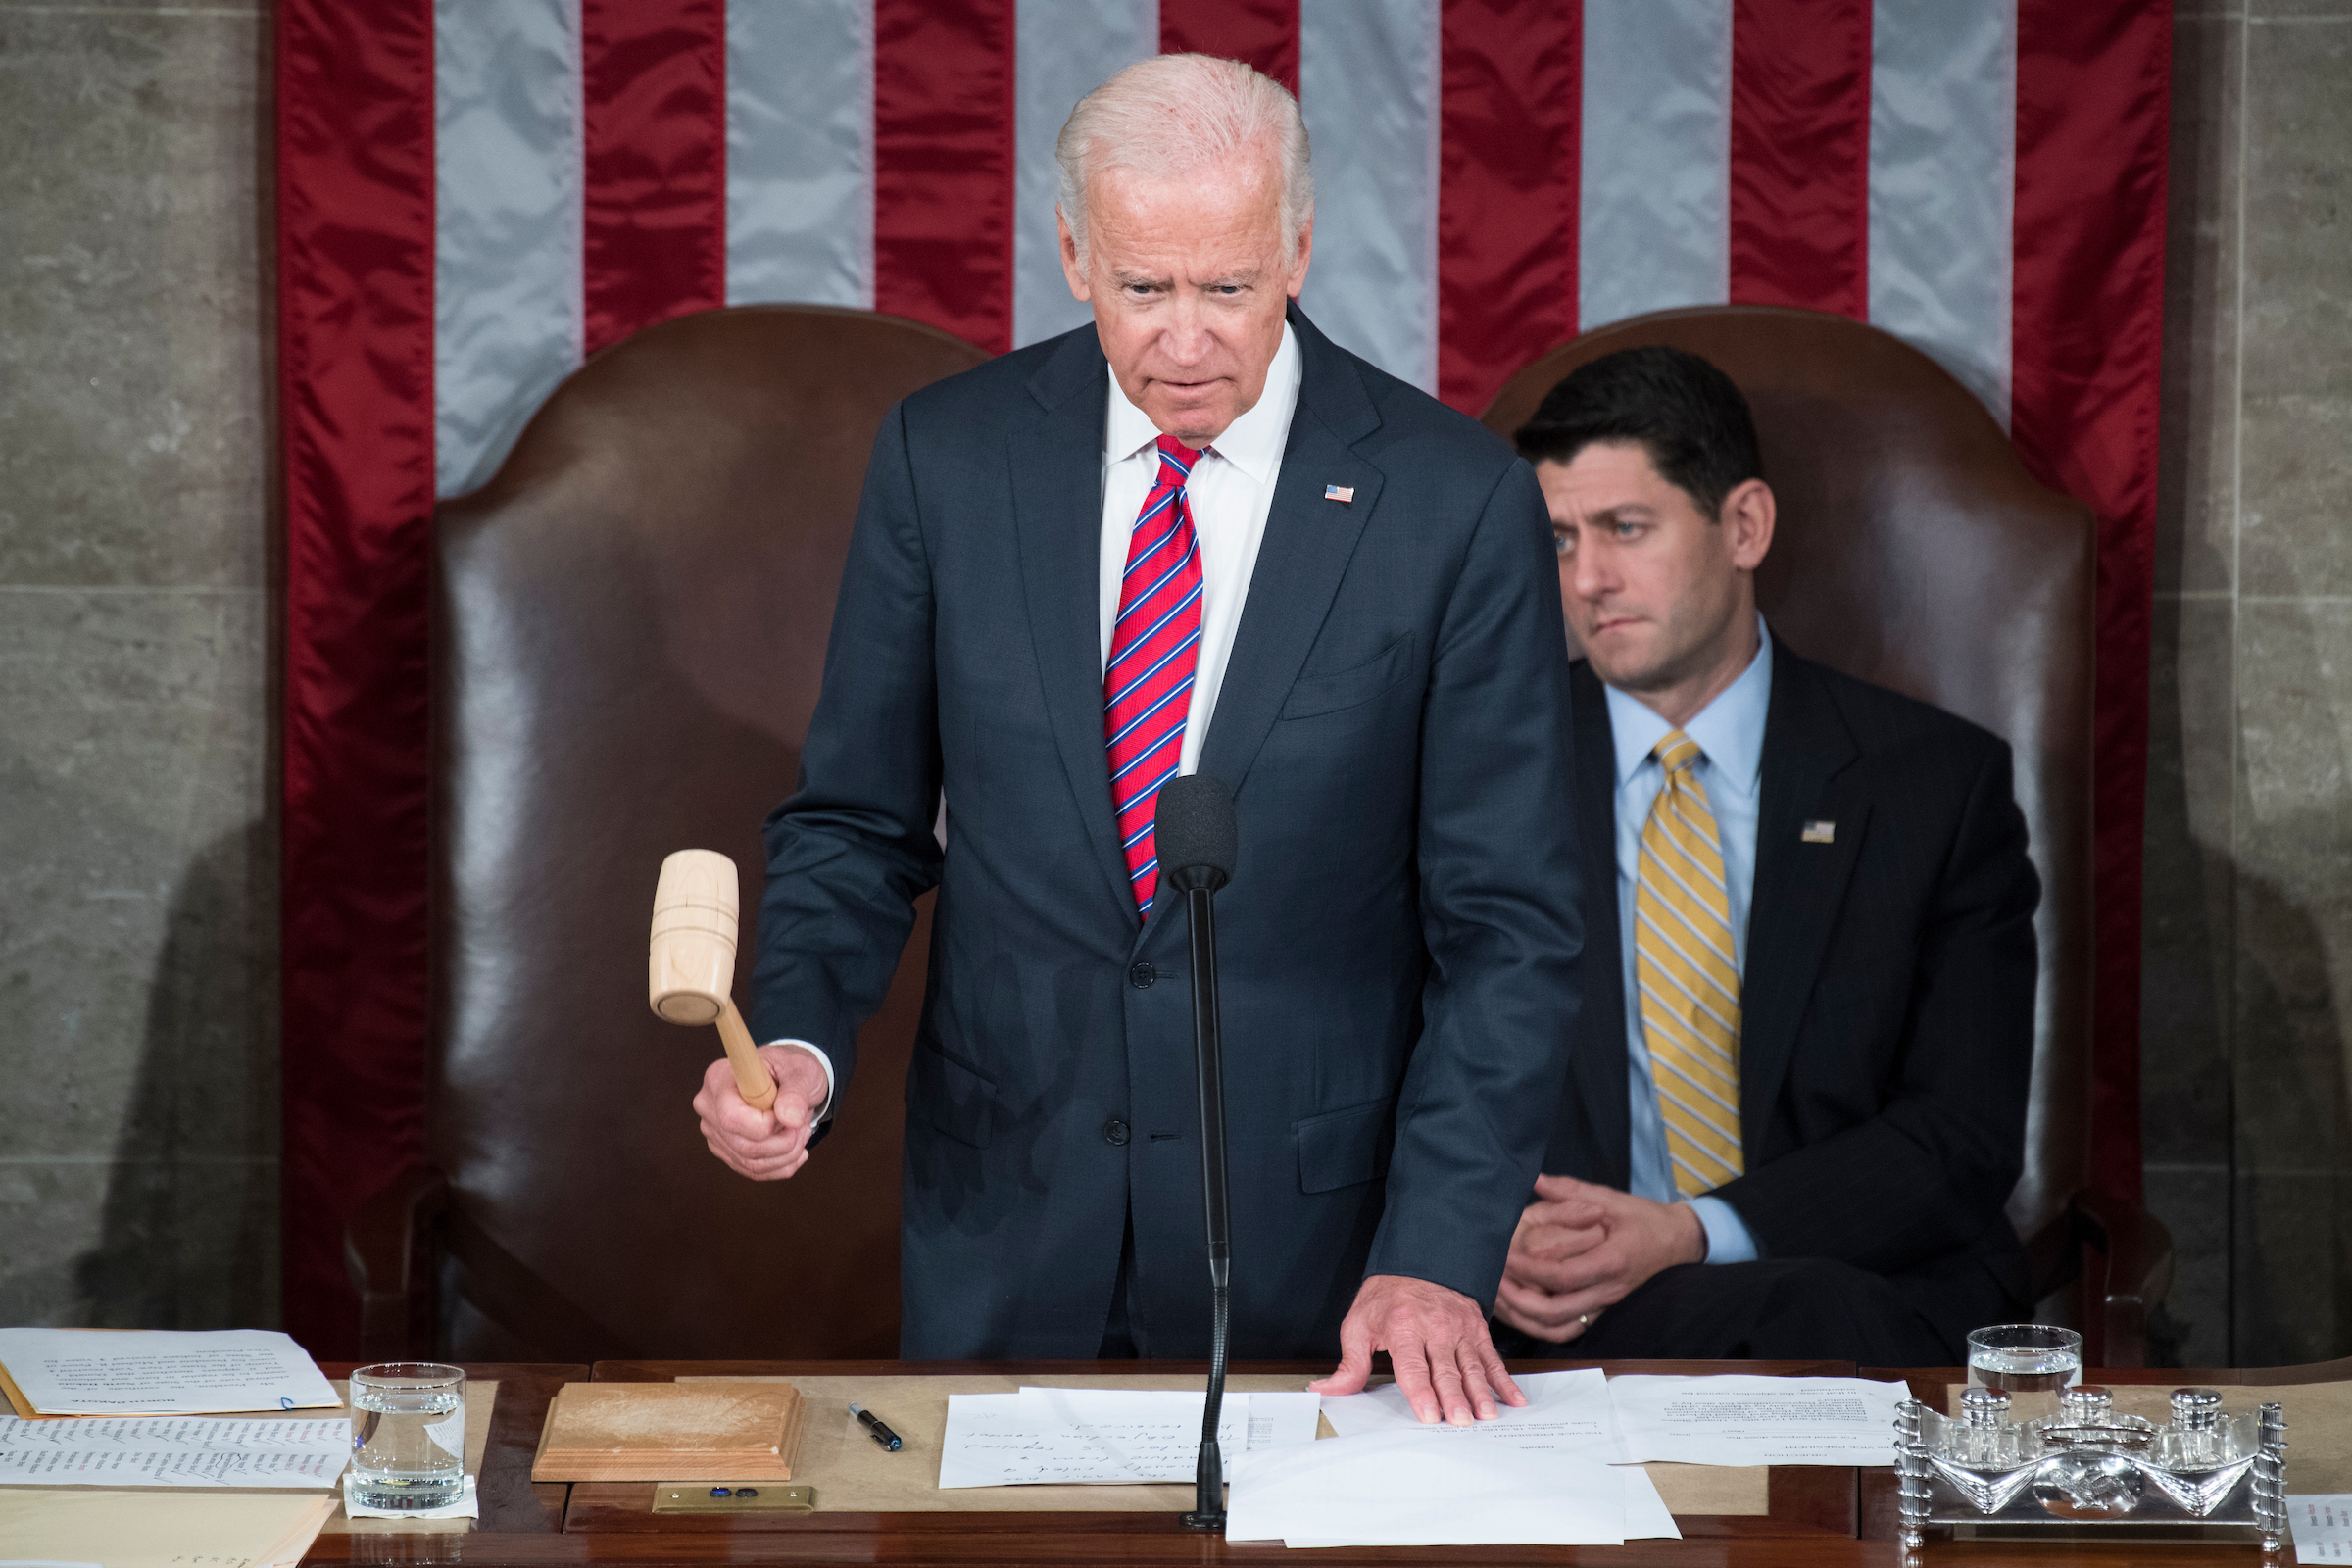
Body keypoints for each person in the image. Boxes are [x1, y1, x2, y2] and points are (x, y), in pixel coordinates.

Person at [693, 54, 1582, 1425]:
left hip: (1319, 1261)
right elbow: (858, 824)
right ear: (1071, 254)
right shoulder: (949, 458)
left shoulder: (1452, 503)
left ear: (1296, 247)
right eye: (1142, 288)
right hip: (1006, 1223)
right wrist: (801, 1043)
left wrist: (1433, 1250)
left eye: (1227, 288)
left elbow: (1511, 927)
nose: (1185, 341)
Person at [1493, 345, 2038, 1365]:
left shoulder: (1935, 788)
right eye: (1559, 538)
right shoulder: (1474, 777)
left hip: (1848, 1301)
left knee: (1802, 1316)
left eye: (1626, 528)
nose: (1588, 578)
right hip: (1547, 1316)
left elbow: (1958, 1138)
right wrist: (1478, 1231)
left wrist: (1691, 1233)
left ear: (1743, 524)